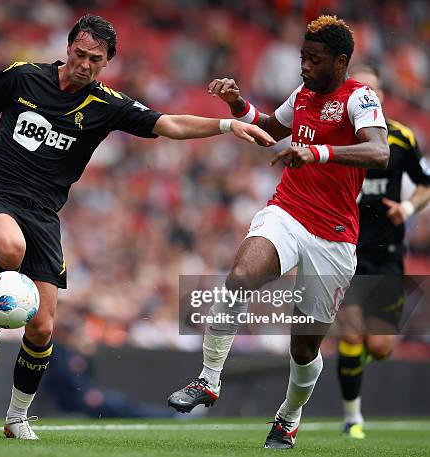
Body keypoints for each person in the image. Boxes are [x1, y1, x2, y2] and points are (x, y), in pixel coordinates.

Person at [0, 15, 274, 440]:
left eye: (96, 59)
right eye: (80, 54)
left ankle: (16, 417)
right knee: (10, 247)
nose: (85, 64)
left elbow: (168, 124)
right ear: (68, 47)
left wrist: (225, 125)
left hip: (44, 214)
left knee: (41, 328)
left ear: (108, 62)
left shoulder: (107, 105)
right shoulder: (23, 77)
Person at [167, 15, 389, 449]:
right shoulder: (304, 95)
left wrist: (319, 151)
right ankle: (208, 380)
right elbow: (270, 130)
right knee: (239, 277)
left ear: (340, 61)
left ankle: (288, 417)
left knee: (304, 349)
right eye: (302, 57)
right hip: (287, 212)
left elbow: (379, 152)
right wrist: (236, 105)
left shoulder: (359, 97)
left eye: (314, 59)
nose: (304, 66)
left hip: (335, 237)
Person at [335, 65, 430, 439]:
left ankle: (353, 388)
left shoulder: (403, 138)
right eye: (359, 90)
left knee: (380, 347)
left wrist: (406, 210)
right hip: (347, 249)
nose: (366, 97)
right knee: (352, 334)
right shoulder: (339, 138)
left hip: (388, 254)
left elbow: (425, 186)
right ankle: (352, 417)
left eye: (372, 92)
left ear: (381, 97)